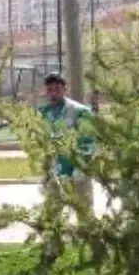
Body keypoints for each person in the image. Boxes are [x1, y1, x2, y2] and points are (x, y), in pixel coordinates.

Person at [38, 72, 96, 217]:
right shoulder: (44, 113)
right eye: (49, 90)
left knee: (84, 212)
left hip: (77, 171)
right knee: (51, 213)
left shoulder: (79, 111)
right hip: (55, 171)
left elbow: (88, 140)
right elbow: (42, 142)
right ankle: (53, 239)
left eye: (57, 89)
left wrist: (81, 166)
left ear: (65, 89)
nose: (53, 93)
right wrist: (45, 170)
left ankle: (87, 237)